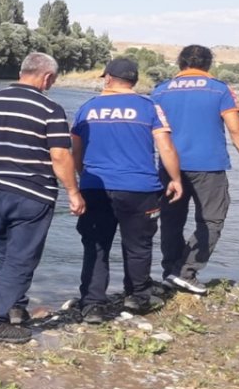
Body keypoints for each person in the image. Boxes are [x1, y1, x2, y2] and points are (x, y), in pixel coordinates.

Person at [0, 52, 85, 344]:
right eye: (52, 81)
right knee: (22, 258)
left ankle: (15, 308)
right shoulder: (50, 109)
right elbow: (59, 156)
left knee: (7, 251)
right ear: (47, 77)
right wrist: (73, 191)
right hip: (32, 193)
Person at [72, 58, 184, 324]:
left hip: (96, 186)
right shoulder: (148, 107)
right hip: (139, 187)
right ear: (133, 81)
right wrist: (175, 178)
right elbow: (165, 146)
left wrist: (82, 177)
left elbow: (75, 150)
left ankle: (92, 304)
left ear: (108, 78)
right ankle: (137, 296)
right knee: (138, 245)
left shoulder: (87, 108)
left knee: (96, 246)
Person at [152, 45, 239, 295]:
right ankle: (186, 271)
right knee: (212, 220)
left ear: (180, 63)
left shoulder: (160, 90)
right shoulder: (219, 89)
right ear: (208, 64)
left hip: (170, 167)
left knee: (171, 221)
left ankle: (171, 271)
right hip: (209, 167)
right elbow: (236, 129)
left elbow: (149, 129)